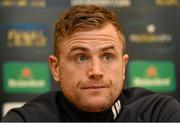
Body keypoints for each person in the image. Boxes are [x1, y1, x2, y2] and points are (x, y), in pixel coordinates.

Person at [1, 4, 180, 122]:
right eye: (81, 57)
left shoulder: (159, 113)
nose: (96, 71)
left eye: (108, 56)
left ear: (124, 66)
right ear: (56, 68)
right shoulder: (27, 119)